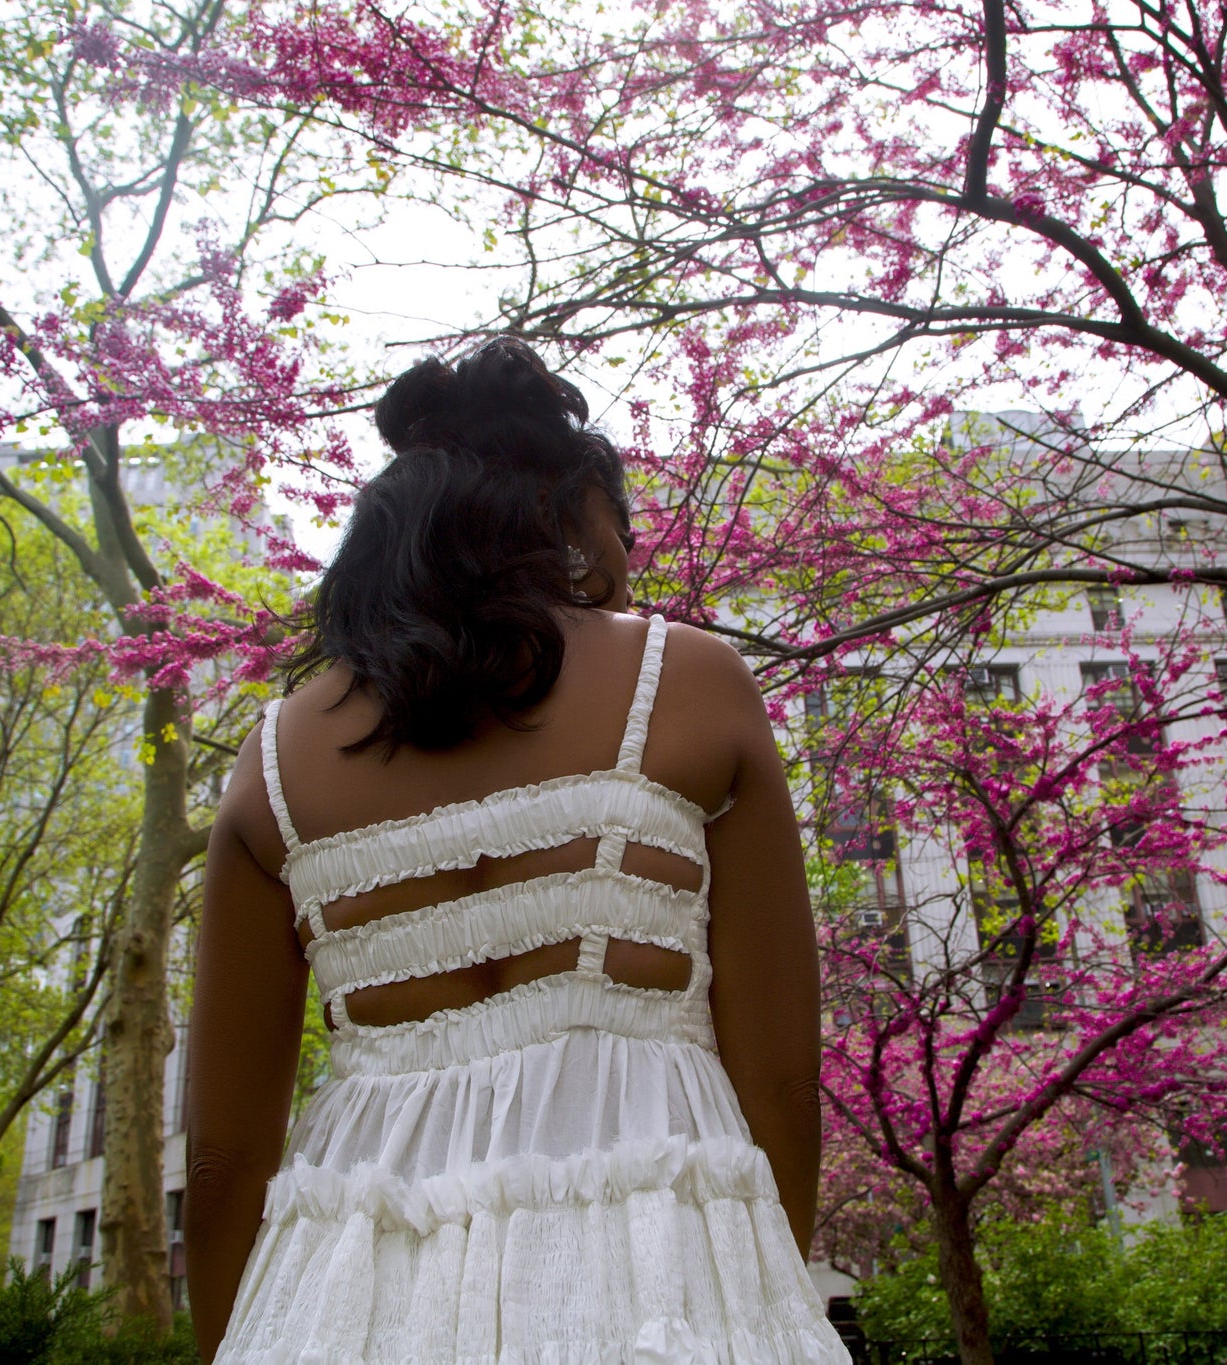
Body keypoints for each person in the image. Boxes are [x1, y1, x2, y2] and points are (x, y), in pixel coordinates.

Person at [186, 337, 849, 1363]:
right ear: (572, 507)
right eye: (616, 526)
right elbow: (779, 1083)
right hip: (657, 1269)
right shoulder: (690, 682)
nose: (624, 558)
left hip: (344, 1296)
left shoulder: (271, 760)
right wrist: (763, 1287)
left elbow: (226, 1153)